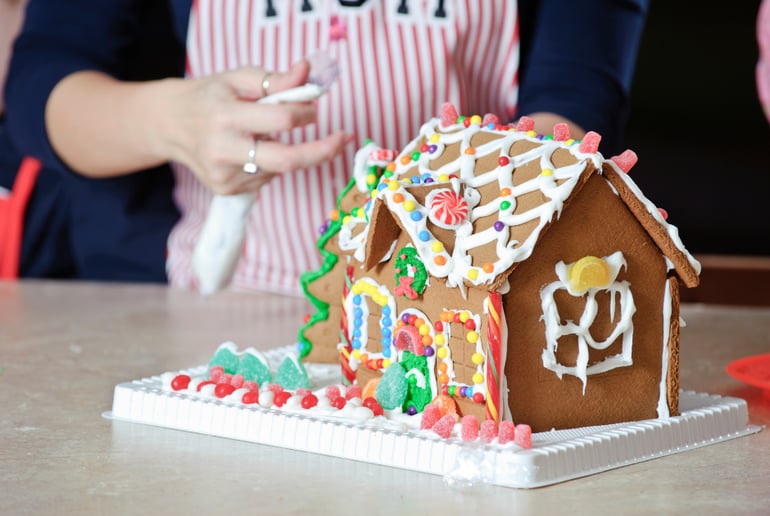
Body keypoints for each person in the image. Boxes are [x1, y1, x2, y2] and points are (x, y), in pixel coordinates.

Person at [3, 0, 649, 293]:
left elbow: (574, 105)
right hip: (210, 294)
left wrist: (476, 233)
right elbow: (40, 87)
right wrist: (174, 121)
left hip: (453, 301)